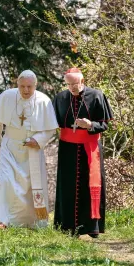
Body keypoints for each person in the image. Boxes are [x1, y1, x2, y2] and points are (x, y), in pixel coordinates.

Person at [0, 70, 58, 228]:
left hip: (32, 150)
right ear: (17, 85)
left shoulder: (43, 101)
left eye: (29, 86)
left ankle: (32, 222)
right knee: (6, 182)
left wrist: (37, 140)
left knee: (31, 186)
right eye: (22, 86)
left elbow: (50, 129)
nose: (26, 90)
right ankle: (2, 221)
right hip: (9, 146)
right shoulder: (7, 96)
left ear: (35, 85)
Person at [52, 68, 113, 238]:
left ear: (82, 81)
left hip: (90, 147)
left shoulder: (96, 96)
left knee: (90, 186)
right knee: (67, 187)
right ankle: (67, 227)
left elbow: (105, 125)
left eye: (75, 84)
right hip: (67, 149)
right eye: (69, 84)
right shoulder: (60, 98)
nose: (72, 87)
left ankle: (91, 228)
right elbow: (51, 122)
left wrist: (90, 125)